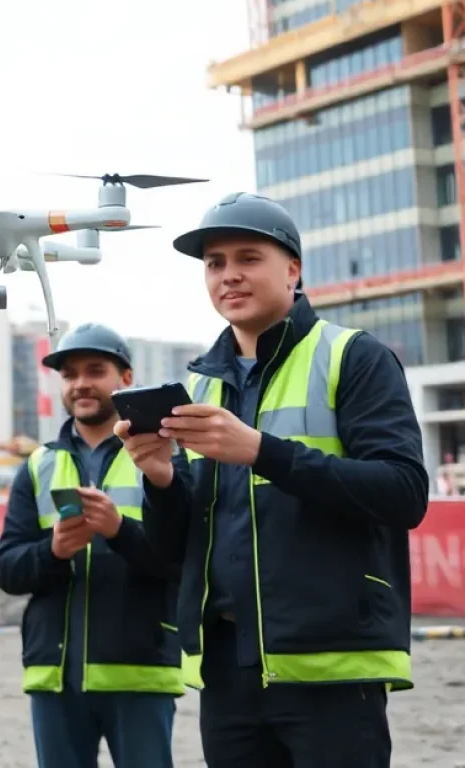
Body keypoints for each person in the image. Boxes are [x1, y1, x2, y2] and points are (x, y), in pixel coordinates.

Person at [118, 191, 430, 768]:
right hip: (229, 670)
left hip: (332, 664)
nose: (228, 275)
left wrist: (263, 451)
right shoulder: (203, 389)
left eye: (247, 257)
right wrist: (161, 479)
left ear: (293, 269)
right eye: (215, 264)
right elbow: (174, 553)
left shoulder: (353, 357)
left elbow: (404, 492)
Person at [0, 323, 182, 768]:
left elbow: (182, 560)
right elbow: (6, 569)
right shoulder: (38, 466)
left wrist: (119, 531)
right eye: (69, 374)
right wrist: (53, 551)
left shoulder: (161, 458)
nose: (80, 384)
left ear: (127, 378)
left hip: (140, 671)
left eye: (95, 370)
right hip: (55, 678)